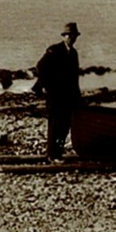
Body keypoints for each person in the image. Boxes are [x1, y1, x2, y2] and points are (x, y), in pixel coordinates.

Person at [33, 22, 82, 159]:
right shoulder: (54, 50)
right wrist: (47, 86)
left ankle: (58, 153)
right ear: (64, 36)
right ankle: (52, 155)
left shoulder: (73, 53)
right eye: (69, 36)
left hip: (68, 97)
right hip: (55, 96)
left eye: (74, 36)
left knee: (65, 126)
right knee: (55, 125)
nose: (72, 38)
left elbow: (74, 78)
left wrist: (78, 97)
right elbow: (40, 66)